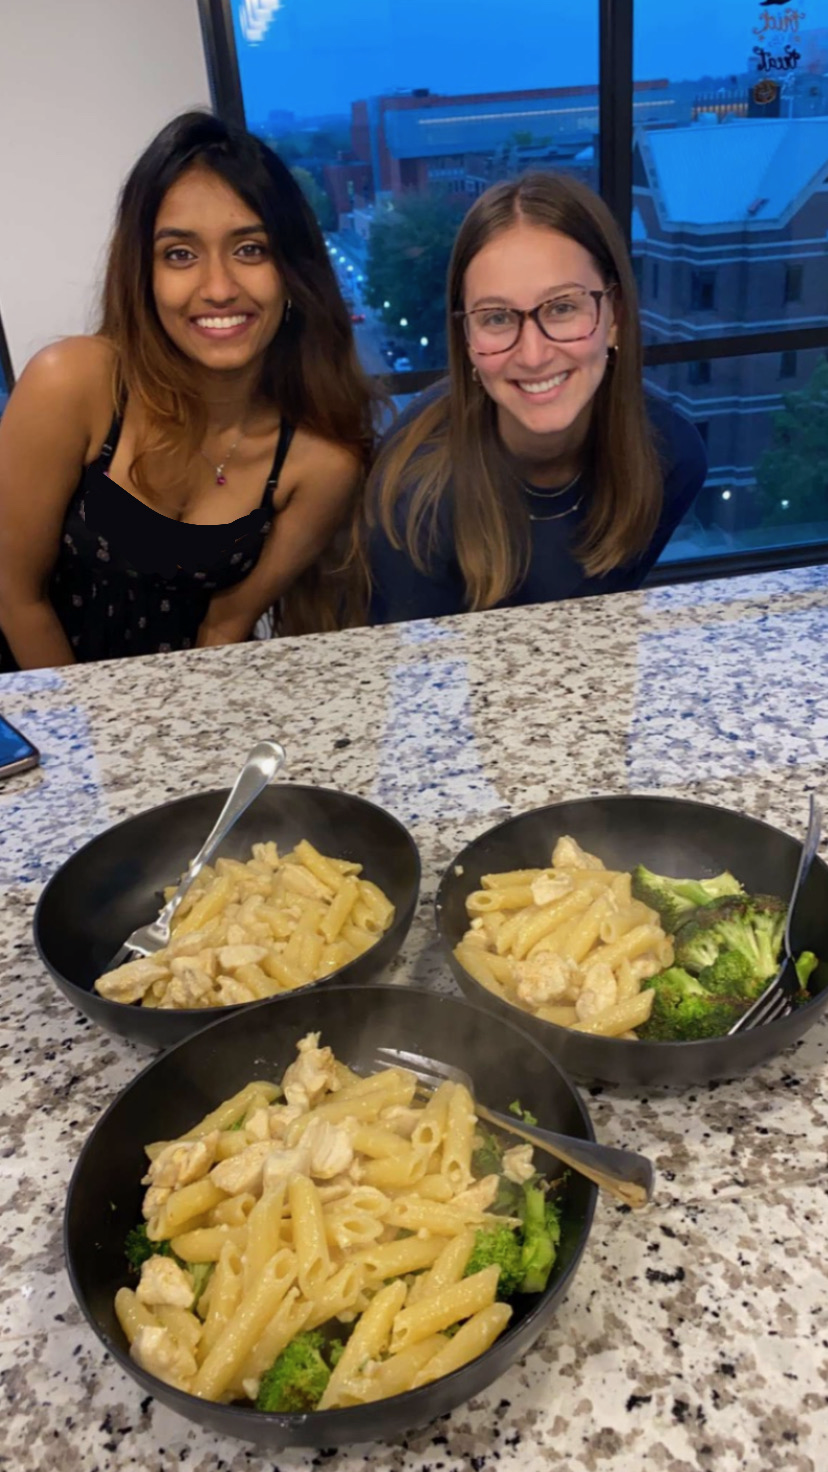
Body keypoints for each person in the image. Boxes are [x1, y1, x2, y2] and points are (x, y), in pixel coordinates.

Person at [0, 111, 378, 671]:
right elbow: (15, 598)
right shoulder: (70, 383)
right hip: (33, 707)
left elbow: (224, 624)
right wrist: (83, 747)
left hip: (184, 706)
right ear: (144, 275)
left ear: (292, 273)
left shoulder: (321, 462)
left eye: (250, 249)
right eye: (180, 254)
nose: (219, 288)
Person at [363, 172, 707, 624]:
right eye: (497, 318)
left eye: (562, 307)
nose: (533, 354)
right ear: (466, 337)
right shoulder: (415, 497)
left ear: (615, 316)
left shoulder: (672, 458)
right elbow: (422, 682)